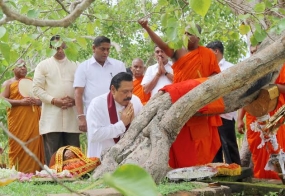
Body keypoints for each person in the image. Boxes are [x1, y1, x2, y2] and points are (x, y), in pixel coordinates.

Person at [138, 19, 222, 168]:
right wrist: (147, 28)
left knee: (203, 141)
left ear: (198, 37)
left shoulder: (207, 54)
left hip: (202, 104)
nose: (186, 36)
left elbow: (216, 77)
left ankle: (202, 170)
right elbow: (162, 44)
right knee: (182, 141)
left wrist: (200, 83)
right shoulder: (177, 52)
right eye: (184, 33)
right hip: (181, 102)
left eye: (190, 34)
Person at [33, 35, 81, 166]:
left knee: (73, 150)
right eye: (56, 47)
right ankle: (54, 178)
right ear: (50, 47)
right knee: (53, 151)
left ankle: (76, 175)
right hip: (52, 116)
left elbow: (83, 88)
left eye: (62, 47)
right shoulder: (43, 65)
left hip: (72, 114)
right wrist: (54, 100)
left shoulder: (76, 64)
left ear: (67, 47)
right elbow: (36, 88)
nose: (60, 50)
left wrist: (75, 100)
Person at [73, 36, 126, 134]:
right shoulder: (83, 67)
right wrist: (81, 117)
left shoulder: (118, 66)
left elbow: (126, 90)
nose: (106, 52)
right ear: (94, 48)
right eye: (102, 49)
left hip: (117, 114)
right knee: (96, 146)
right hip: (94, 115)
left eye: (108, 49)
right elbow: (78, 93)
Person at [1, 59, 44, 173]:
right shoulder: (8, 83)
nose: (23, 68)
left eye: (24, 66)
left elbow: (41, 100)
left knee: (34, 144)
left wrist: (36, 101)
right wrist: (20, 102)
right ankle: (18, 172)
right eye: (19, 66)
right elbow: (2, 100)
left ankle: (35, 171)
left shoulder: (31, 82)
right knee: (18, 146)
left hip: (33, 122)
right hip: (18, 124)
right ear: (12, 68)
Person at [86, 72, 143, 158]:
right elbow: (94, 135)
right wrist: (122, 124)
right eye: (125, 92)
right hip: (102, 160)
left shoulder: (136, 101)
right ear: (113, 90)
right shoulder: (97, 104)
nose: (129, 95)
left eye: (131, 91)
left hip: (129, 158)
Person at [206, 40, 241, 165]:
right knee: (214, 149)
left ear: (216, 51)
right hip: (210, 115)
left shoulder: (229, 68)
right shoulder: (207, 68)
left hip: (225, 114)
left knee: (229, 146)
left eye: (208, 52)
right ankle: (219, 177)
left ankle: (237, 177)